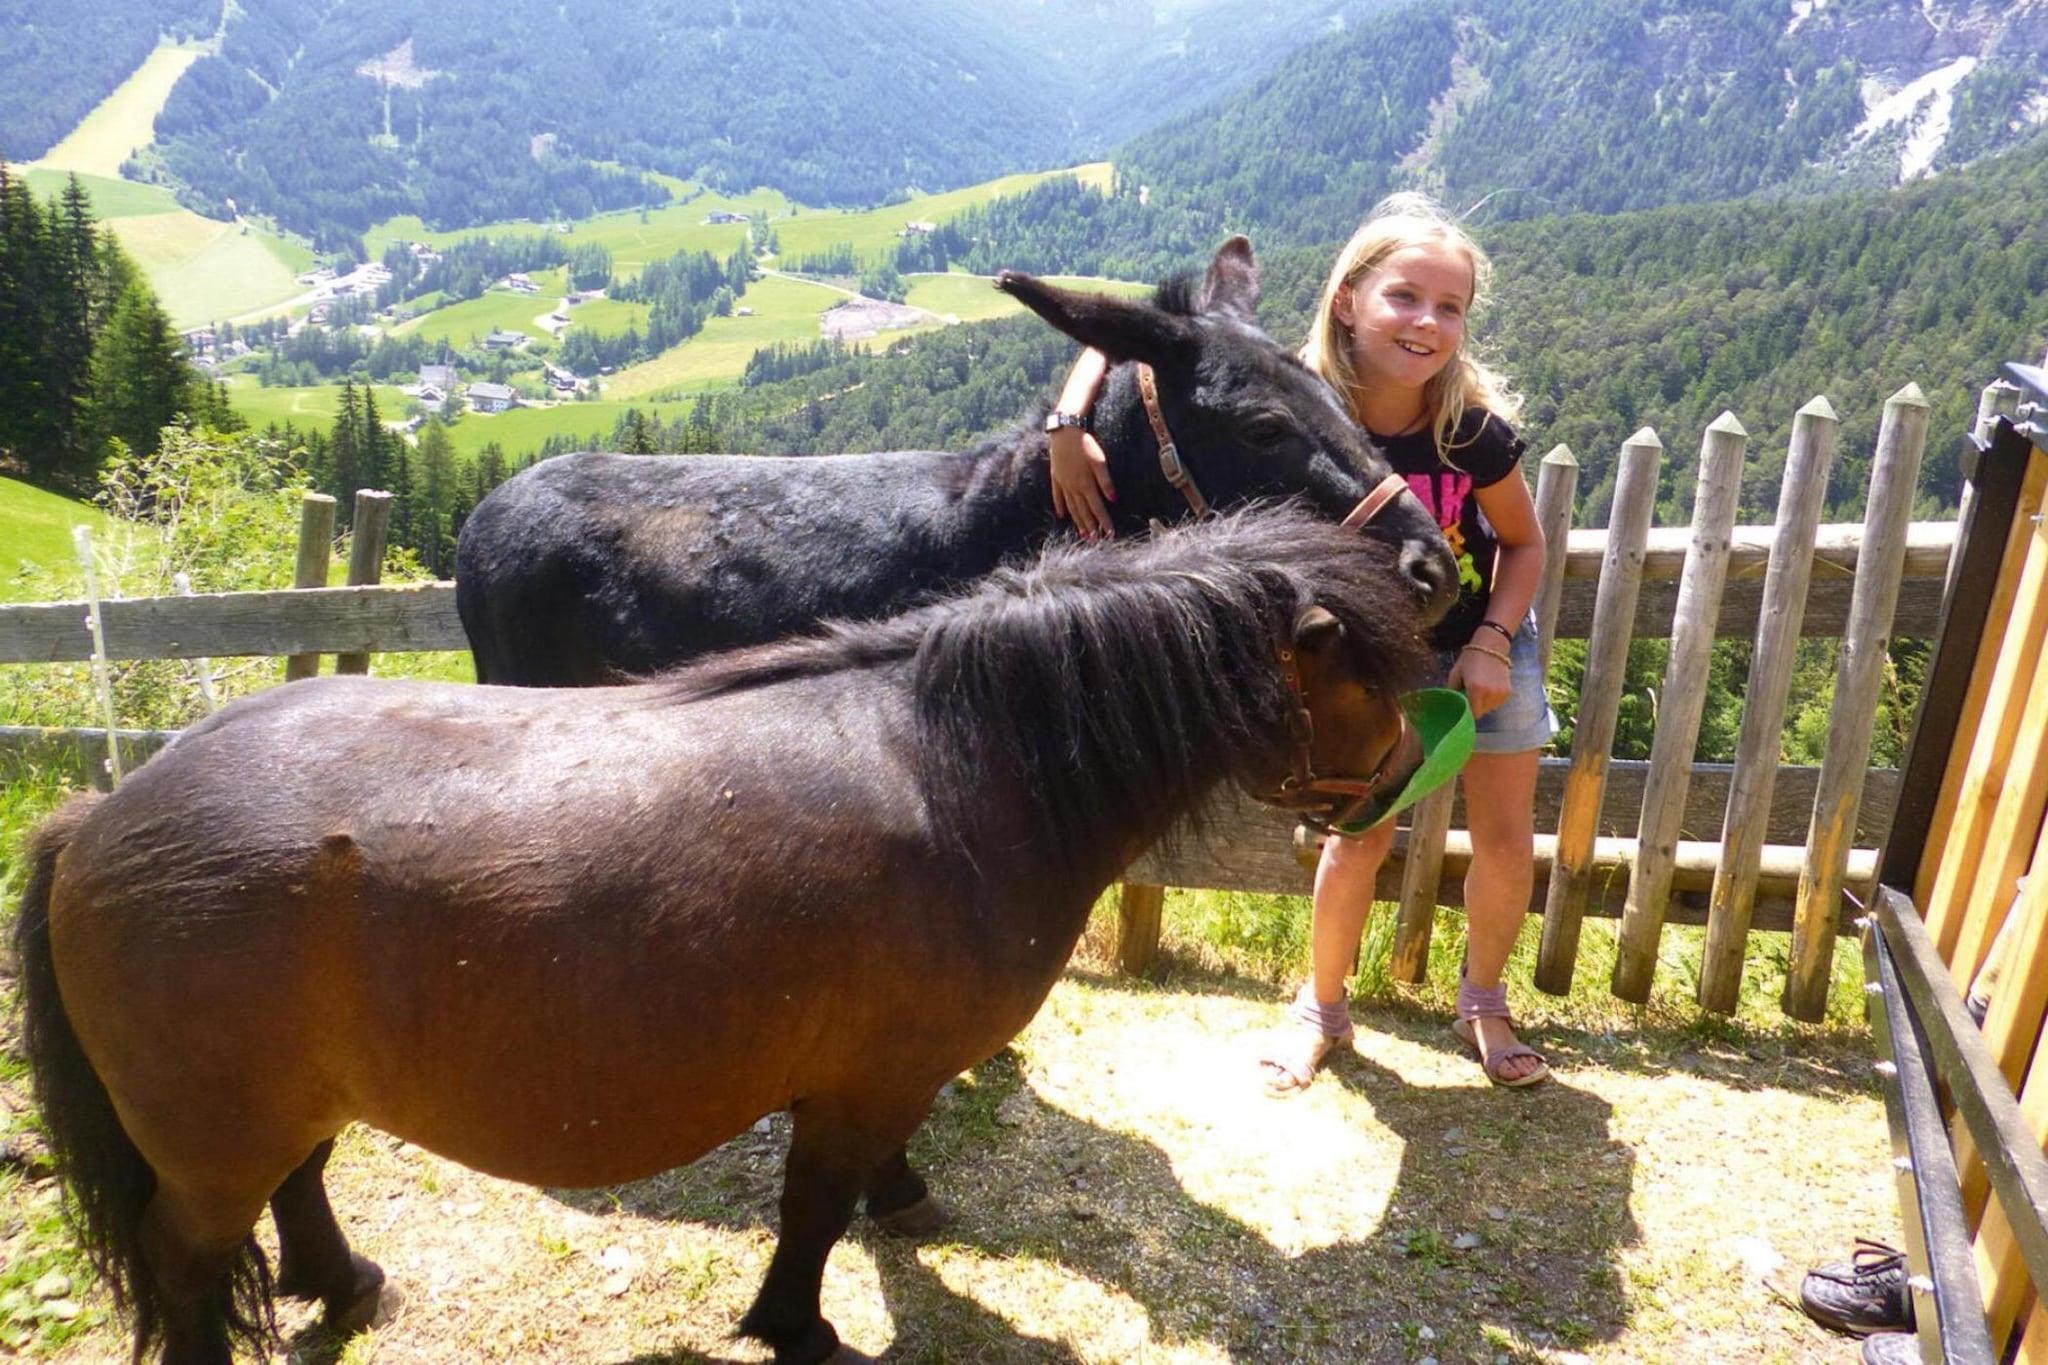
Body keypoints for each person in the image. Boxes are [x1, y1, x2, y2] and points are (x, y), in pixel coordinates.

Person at [1046, 193, 1557, 1088]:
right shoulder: (1302, 402)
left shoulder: (1470, 432)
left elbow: (1526, 544)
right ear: (1346, 299)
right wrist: (1068, 422)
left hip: (1487, 640)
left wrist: (1490, 642)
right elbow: (1145, 336)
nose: (1428, 322)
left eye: (1450, 307)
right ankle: (1321, 1008)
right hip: (1375, 656)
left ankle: (1484, 1001)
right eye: (1405, 296)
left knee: (1506, 840)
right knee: (1357, 837)